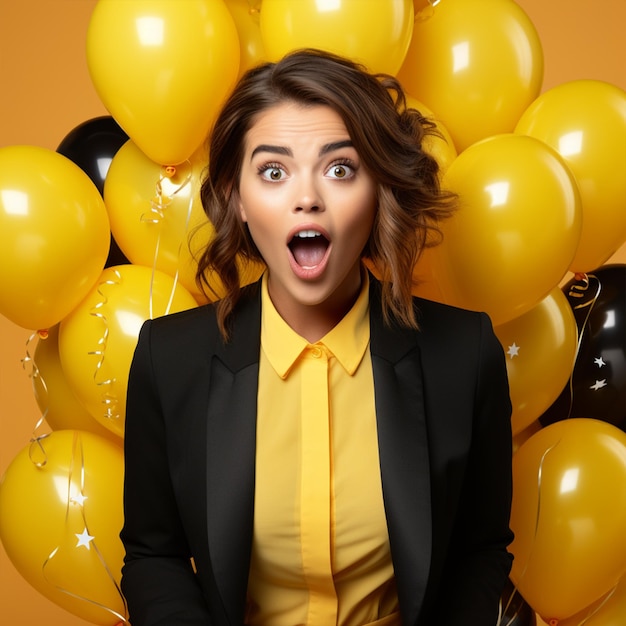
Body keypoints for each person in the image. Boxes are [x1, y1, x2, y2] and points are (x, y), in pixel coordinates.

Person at [120, 49, 513, 626]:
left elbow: (480, 552)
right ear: (236, 197)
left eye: (340, 168)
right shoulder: (168, 358)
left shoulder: (464, 355)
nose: (307, 198)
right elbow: (153, 556)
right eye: (273, 172)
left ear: (379, 187)